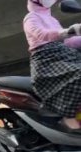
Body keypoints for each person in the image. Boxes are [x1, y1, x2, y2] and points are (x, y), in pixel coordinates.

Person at [23, 0, 81, 132]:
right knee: (78, 76)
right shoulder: (30, 17)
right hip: (47, 59)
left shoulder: (52, 19)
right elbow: (41, 34)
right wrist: (69, 31)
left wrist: (74, 34)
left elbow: (68, 42)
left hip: (65, 54)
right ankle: (68, 118)